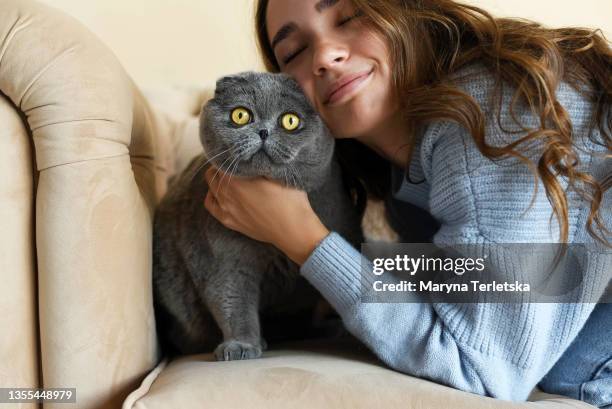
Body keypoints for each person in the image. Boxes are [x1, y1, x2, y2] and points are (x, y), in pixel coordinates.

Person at [202, 0, 611, 405]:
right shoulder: (397, 173)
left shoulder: (488, 115)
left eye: (350, 17)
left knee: (573, 365)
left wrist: (304, 238)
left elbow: (483, 371)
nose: (325, 56)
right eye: (294, 52)